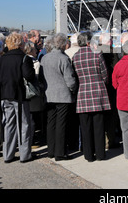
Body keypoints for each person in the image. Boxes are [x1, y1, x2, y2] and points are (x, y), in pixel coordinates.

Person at [0, 32, 36, 163]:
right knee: (23, 125)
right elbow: (29, 76)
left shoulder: (2, 58)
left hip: (5, 95)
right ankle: (24, 154)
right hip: (20, 96)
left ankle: (8, 154)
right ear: (20, 44)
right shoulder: (25, 58)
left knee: (8, 125)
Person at [72, 31, 110, 162]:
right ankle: (100, 154)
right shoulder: (97, 54)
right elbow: (105, 74)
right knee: (99, 126)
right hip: (98, 92)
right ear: (89, 42)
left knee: (85, 127)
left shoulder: (75, 57)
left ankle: (88, 155)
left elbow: (75, 76)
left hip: (83, 93)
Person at [41, 33, 78, 161]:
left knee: (51, 123)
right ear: (63, 45)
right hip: (62, 95)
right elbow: (70, 79)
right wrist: (73, 89)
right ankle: (60, 152)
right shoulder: (64, 58)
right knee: (61, 124)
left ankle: (51, 150)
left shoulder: (45, 58)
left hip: (49, 93)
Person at [97, 32, 120, 150]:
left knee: (100, 116)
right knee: (111, 116)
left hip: (99, 88)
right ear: (109, 41)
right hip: (111, 88)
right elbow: (117, 68)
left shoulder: (95, 51)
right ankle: (110, 140)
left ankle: (101, 140)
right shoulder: (113, 52)